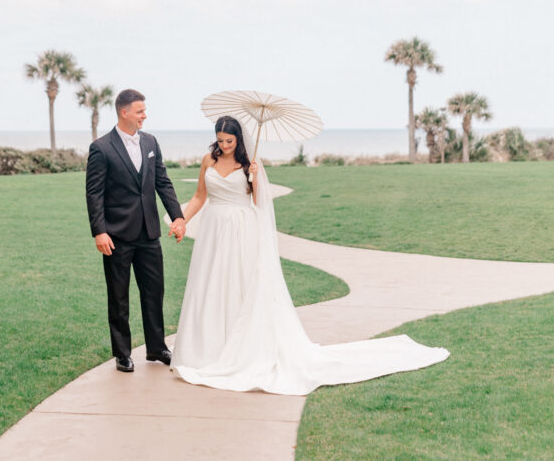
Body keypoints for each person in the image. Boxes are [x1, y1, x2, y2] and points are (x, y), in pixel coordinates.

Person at [171, 116, 449, 395]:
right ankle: (207, 349)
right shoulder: (209, 160)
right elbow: (198, 197)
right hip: (213, 231)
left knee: (237, 286)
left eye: (229, 141)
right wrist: (181, 220)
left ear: (239, 140)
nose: (224, 145)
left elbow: (259, 203)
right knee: (211, 286)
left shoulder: (249, 165)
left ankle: (239, 348)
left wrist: (255, 178)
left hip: (241, 231)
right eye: (220, 140)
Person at [86, 88, 186, 373]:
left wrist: (177, 216)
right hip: (116, 236)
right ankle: (122, 353)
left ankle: (156, 348)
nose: (145, 115)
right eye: (140, 111)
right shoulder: (101, 148)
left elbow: (162, 182)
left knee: (154, 292)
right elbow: (94, 194)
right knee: (118, 297)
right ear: (124, 112)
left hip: (149, 233)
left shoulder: (151, 142)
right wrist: (99, 231)